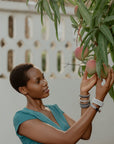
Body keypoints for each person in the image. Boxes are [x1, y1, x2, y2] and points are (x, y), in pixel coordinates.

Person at [9, 63, 114, 144]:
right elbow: (66, 140)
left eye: (43, 77)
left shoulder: (54, 109)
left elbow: (85, 134)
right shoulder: (22, 118)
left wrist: (84, 93)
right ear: (23, 90)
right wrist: (98, 101)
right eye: (38, 81)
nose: (45, 82)